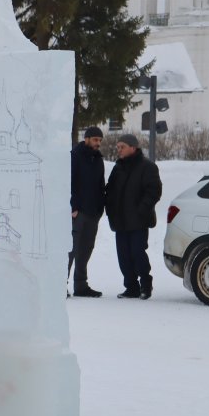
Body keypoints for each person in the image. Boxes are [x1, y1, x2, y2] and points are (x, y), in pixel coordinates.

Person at [105, 134, 162, 300]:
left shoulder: (148, 167)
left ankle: (145, 285)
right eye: (117, 147)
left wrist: (141, 210)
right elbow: (110, 190)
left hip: (138, 221)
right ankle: (131, 287)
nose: (119, 150)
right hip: (120, 220)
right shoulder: (118, 167)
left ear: (133, 147)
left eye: (122, 146)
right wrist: (110, 208)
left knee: (138, 253)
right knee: (123, 256)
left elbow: (153, 192)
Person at [68, 126, 106, 297]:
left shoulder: (98, 158)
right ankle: (61, 285)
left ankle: (81, 286)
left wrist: (100, 208)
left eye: (100, 140)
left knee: (86, 249)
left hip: (93, 212)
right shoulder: (75, 156)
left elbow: (100, 184)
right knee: (71, 249)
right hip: (79, 212)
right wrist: (74, 207)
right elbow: (71, 182)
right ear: (87, 139)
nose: (98, 143)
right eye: (95, 139)